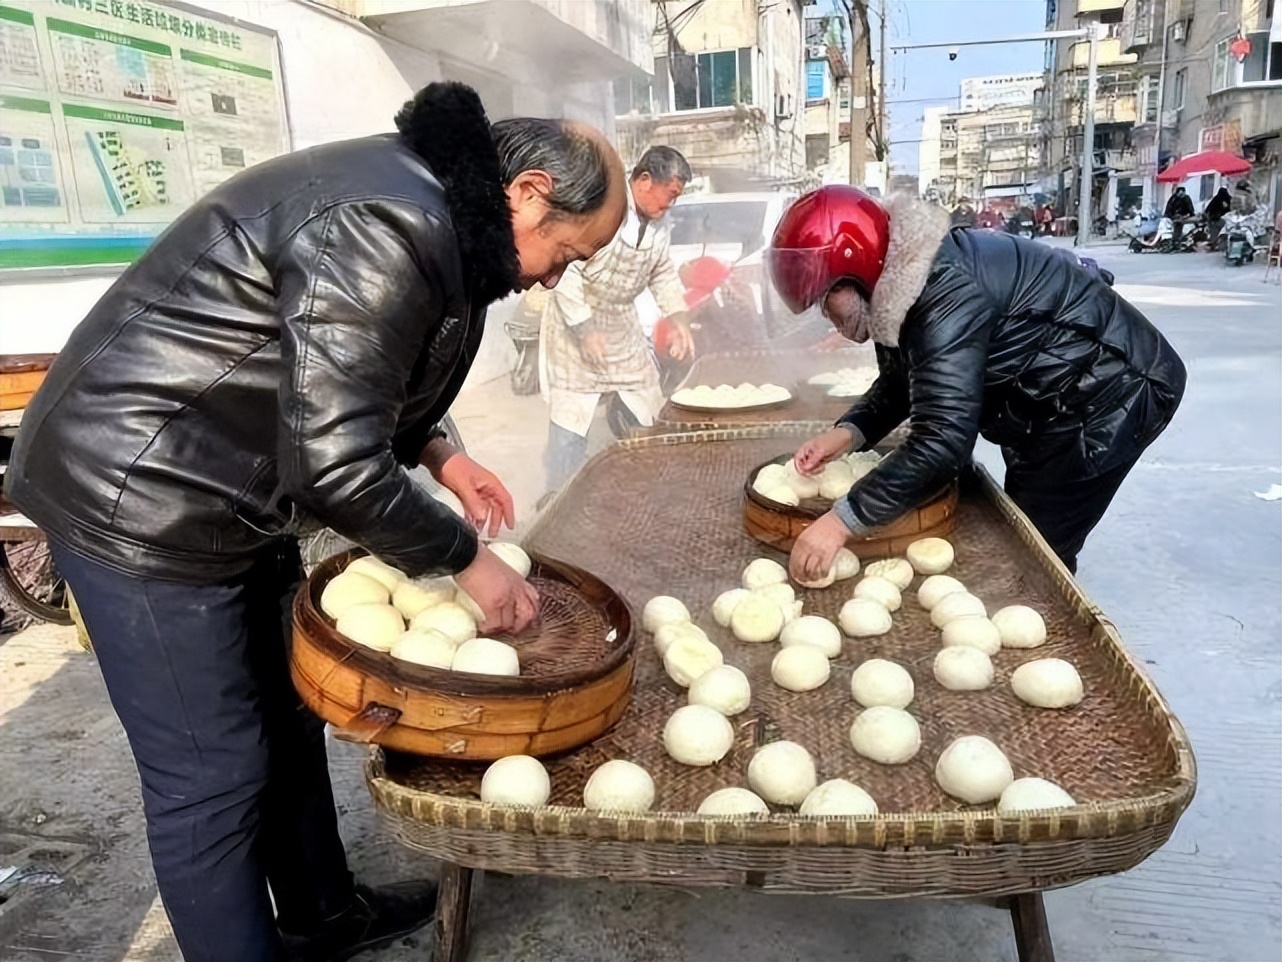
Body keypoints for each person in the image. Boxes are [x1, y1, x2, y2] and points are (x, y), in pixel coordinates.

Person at [3, 83, 625, 962]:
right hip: (139, 490)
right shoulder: (385, 218)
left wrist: (444, 454)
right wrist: (467, 562)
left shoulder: (457, 223)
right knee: (210, 776)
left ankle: (322, 917)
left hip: (231, 482)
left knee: (287, 715)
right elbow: (334, 458)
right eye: (569, 251)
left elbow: (365, 376)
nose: (560, 274)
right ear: (526, 191)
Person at [765, 186, 1186, 581]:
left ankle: (1038, 621)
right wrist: (847, 433)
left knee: (1037, 546)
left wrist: (841, 521)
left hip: (1108, 394)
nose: (825, 313)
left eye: (826, 297)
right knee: (1022, 527)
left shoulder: (944, 294)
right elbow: (903, 380)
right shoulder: (898, 283)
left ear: (856, 270)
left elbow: (942, 438)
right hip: (1049, 393)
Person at [540, 146, 695, 493]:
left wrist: (679, 319)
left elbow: (663, 272)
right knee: (572, 416)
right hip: (574, 322)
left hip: (620, 323)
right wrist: (584, 329)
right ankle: (558, 497)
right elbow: (566, 270)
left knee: (647, 396)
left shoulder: (658, 226)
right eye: (670, 195)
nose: (670, 204)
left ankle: (650, 485)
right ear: (643, 180)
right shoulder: (599, 205)